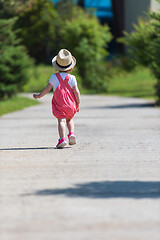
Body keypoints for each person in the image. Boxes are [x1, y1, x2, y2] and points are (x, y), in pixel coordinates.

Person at [33, 49, 80, 149]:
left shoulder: (54, 77)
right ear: (70, 67)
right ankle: (71, 134)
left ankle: (62, 139)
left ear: (57, 66)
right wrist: (78, 103)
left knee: (61, 121)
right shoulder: (72, 78)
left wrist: (39, 95)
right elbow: (76, 92)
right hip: (70, 104)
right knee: (70, 119)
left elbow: (47, 89)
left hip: (59, 104)